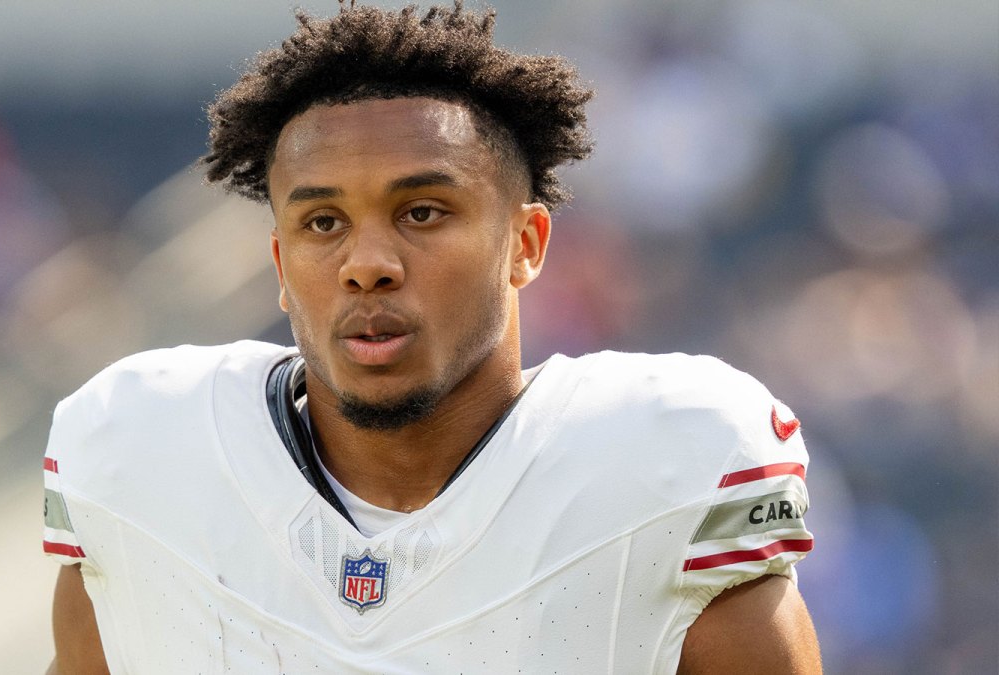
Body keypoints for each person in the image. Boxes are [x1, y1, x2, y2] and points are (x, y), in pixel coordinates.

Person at [42, 2, 820, 672]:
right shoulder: (141, 450)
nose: (367, 264)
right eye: (323, 222)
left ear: (525, 244)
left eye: (422, 212)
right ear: (281, 264)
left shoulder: (666, 463)